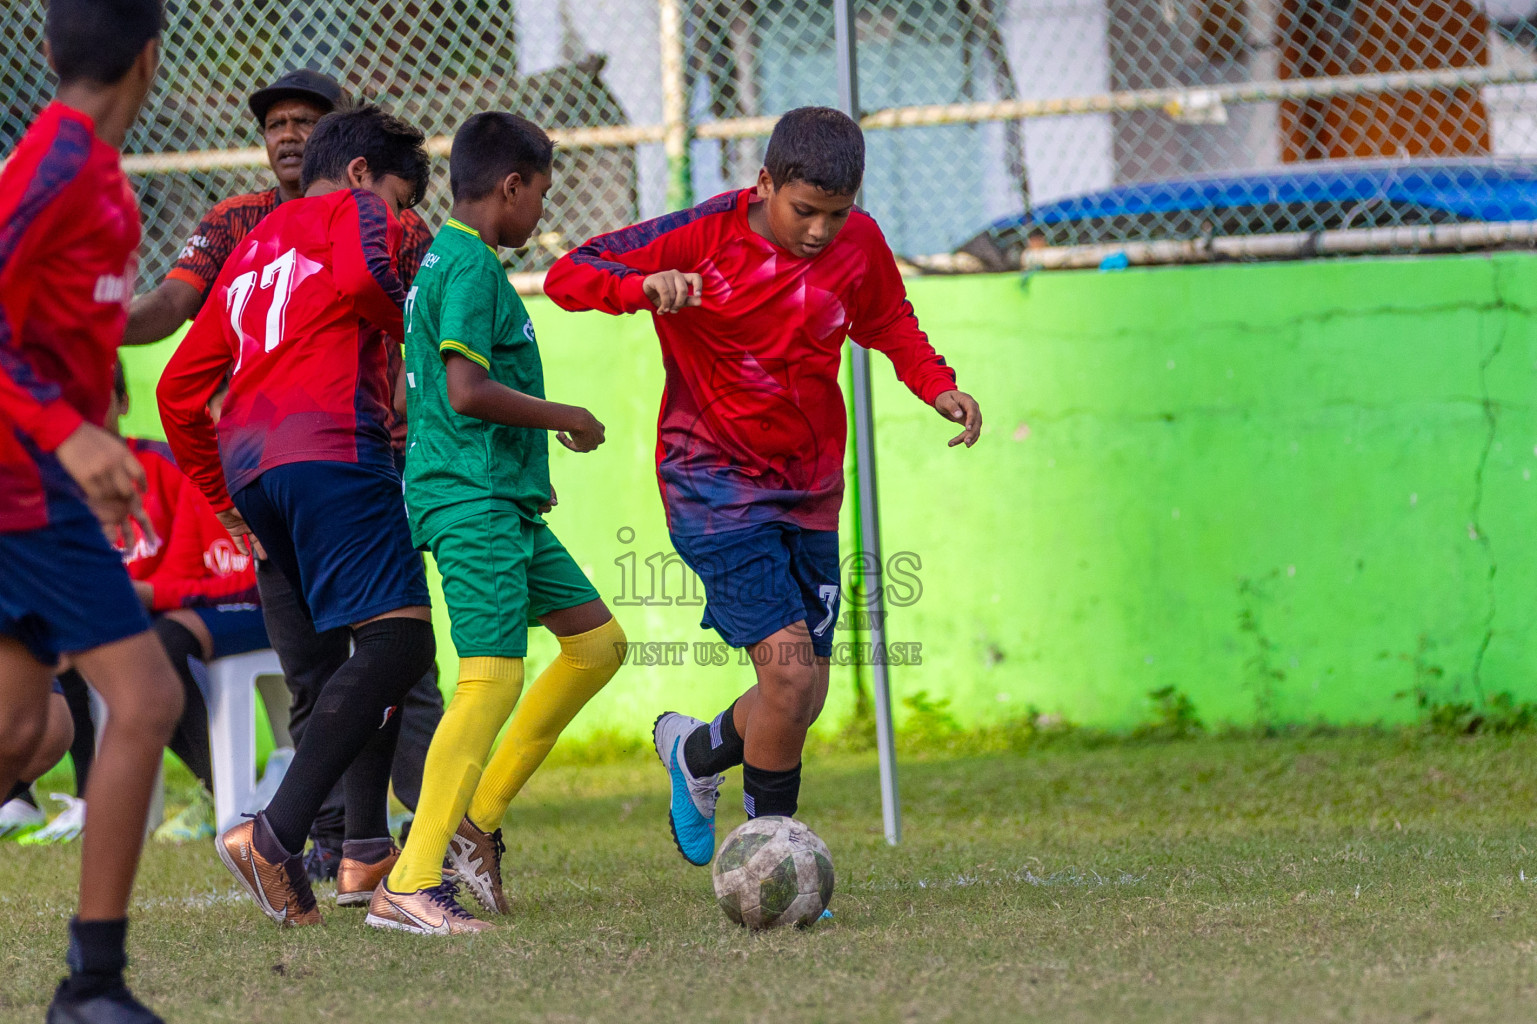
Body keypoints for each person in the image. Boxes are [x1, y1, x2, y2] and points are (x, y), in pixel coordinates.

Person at [544, 107, 983, 865]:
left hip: (809, 489)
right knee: (787, 676)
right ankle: (771, 858)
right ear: (764, 183)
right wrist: (645, 286)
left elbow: (890, 323)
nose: (818, 231)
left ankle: (694, 754)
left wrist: (938, 387)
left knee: (801, 696)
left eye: (834, 215)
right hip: (710, 481)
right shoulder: (703, 236)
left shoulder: (860, 244)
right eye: (803, 211)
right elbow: (566, 274)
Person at [123, 67, 444, 878]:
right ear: (366, 172)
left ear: (334, 137)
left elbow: (176, 385)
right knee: (389, 647)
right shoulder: (333, 214)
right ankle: (287, 833)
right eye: (276, 122)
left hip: (264, 468)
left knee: (362, 661)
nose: (288, 134)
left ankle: (368, 846)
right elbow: (380, 285)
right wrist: (400, 329)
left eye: (306, 120)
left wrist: (224, 497)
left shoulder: (260, 244)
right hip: (336, 449)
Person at [365, 113, 624, 935]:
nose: (541, 215)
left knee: (597, 645)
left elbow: (419, 394)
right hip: (473, 496)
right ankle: (410, 882)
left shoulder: (446, 260)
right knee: (491, 678)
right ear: (510, 186)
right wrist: (566, 417)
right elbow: (466, 390)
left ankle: (476, 819)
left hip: (502, 499)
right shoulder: (472, 266)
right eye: (540, 197)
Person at [0, 1, 183, 1021]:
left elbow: (50, 329)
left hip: (40, 476)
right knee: (146, 698)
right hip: (20, 485)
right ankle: (93, 984)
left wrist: (98, 415)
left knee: (24, 730)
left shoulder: (101, 178)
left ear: (46, 48)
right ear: (152, 57)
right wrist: (66, 435)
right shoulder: (56, 164)